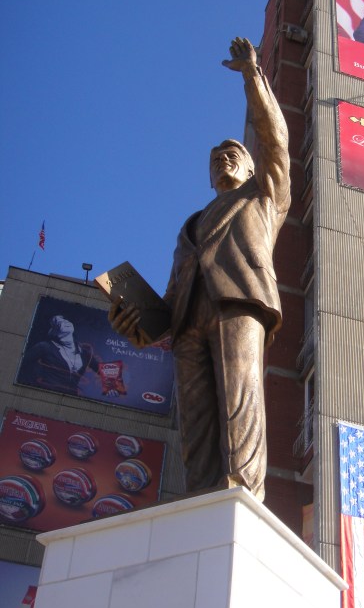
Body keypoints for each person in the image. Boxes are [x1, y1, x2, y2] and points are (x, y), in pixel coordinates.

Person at [110, 37, 290, 501]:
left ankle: (244, 491)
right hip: (189, 322)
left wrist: (252, 76)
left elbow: (274, 139)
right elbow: (169, 301)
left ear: (252, 168)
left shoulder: (263, 197)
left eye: (232, 154)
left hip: (238, 305)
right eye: (214, 160)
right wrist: (136, 322)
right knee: (195, 422)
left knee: (239, 401)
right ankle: (200, 496)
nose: (222, 159)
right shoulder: (189, 226)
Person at [19, 315, 101, 396]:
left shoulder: (84, 353)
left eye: (64, 319)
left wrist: (112, 386)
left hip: (71, 398)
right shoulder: (45, 347)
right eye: (58, 322)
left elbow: (103, 371)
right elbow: (21, 363)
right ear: (54, 330)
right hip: (46, 394)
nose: (64, 322)